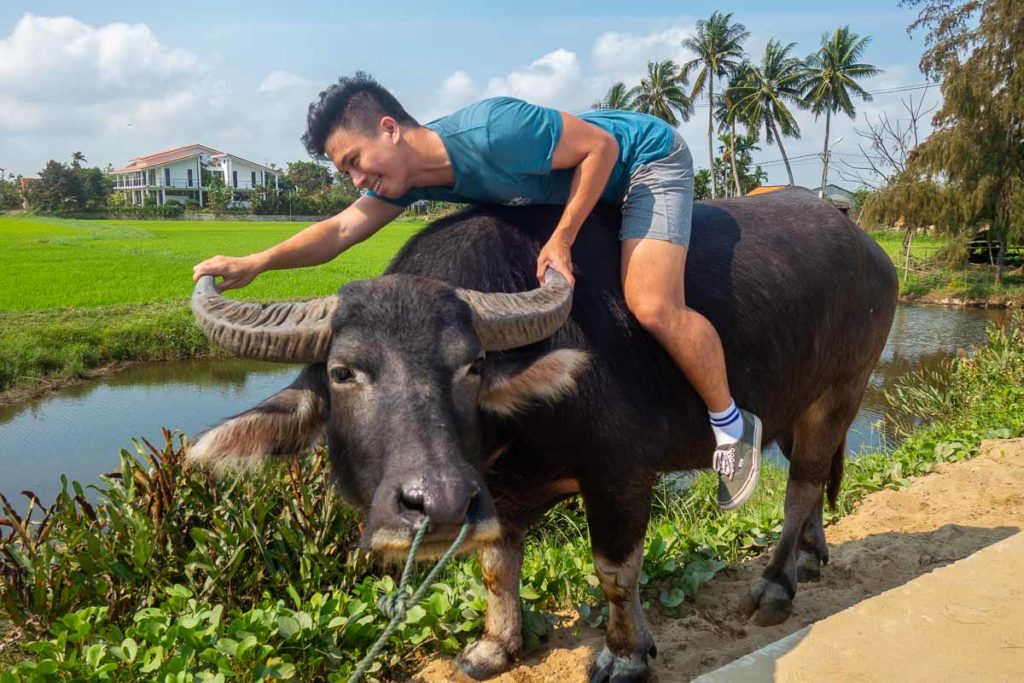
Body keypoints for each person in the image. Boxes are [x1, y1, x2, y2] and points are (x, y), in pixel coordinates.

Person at [192, 73, 762, 509]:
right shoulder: (409, 179)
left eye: (354, 161)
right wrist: (256, 262)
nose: (356, 180)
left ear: (389, 130)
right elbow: (340, 230)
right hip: (579, 182)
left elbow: (601, 152)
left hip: (642, 161)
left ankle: (732, 426)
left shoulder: (494, 130)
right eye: (347, 173)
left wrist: (563, 239)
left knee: (653, 304)